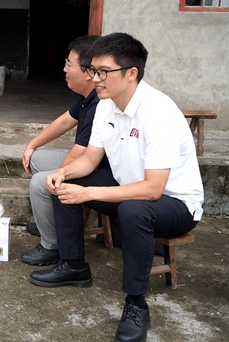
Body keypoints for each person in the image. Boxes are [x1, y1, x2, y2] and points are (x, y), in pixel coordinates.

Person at [28, 33, 204, 342]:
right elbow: (90, 159)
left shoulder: (158, 112)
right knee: (65, 183)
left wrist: (89, 193)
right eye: (93, 71)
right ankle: (73, 265)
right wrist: (62, 172)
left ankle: (136, 304)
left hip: (174, 203)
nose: (96, 79)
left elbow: (153, 190)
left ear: (131, 72)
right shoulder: (106, 105)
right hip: (129, 191)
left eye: (103, 72)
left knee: (135, 210)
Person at [21, 35, 107, 266]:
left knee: (40, 183)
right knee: (37, 159)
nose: (64, 69)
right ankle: (49, 223)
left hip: (98, 169)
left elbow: (81, 153)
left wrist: (58, 175)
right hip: (89, 163)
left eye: (69, 64)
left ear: (88, 72)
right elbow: (64, 121)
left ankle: (53, 245)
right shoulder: (87, 97)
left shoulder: (100, 103)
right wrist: (32, 144)